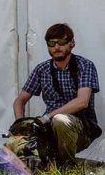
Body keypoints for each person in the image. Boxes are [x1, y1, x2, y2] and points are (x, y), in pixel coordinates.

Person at [12, 23, 101, 167]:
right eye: (51, 43)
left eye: (62, 42)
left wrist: (47, 117)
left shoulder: (85, 65)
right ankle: (42, 165)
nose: (56, 47)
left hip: (82, 128)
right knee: (13, 145)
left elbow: (82, 102)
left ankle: (68, 169)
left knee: (60, 120)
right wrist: (21, 125)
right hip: (48, 127)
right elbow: (20, 101)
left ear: (72, 43)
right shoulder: (42, 69)